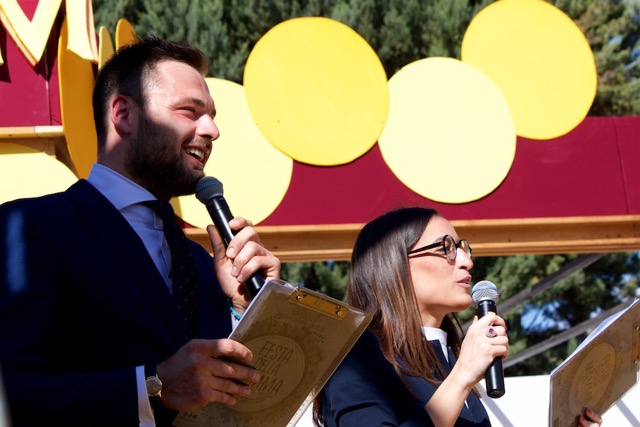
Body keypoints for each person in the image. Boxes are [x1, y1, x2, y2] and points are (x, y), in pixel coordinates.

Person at [0, 36, 280, 427]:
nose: (212, 130)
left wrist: (245, 309)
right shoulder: (30, 228)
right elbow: (9, 391)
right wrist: (151, 387)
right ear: (123, 114)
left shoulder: (203, 265)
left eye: (212, 116)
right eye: (189, 111)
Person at [315, 207, 602, 427]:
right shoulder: (357, 354)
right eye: (446, 248)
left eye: (463, 248)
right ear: (395, 265)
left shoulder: (449, 360)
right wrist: (463, 376)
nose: (467, 261)